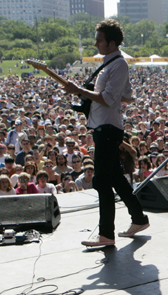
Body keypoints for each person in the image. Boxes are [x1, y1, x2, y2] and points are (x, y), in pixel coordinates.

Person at [64, 19, 149, 247]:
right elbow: (127, 95)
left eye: (99, 40)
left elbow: (109, 98)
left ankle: (106, 235)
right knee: (114, 178)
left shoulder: (118, 65)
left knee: (101, 180)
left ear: (111, 43)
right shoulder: (109, 64)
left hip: (109, 129)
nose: (96, 44)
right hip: (104, 126)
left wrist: (80, 90)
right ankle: (139, 219)